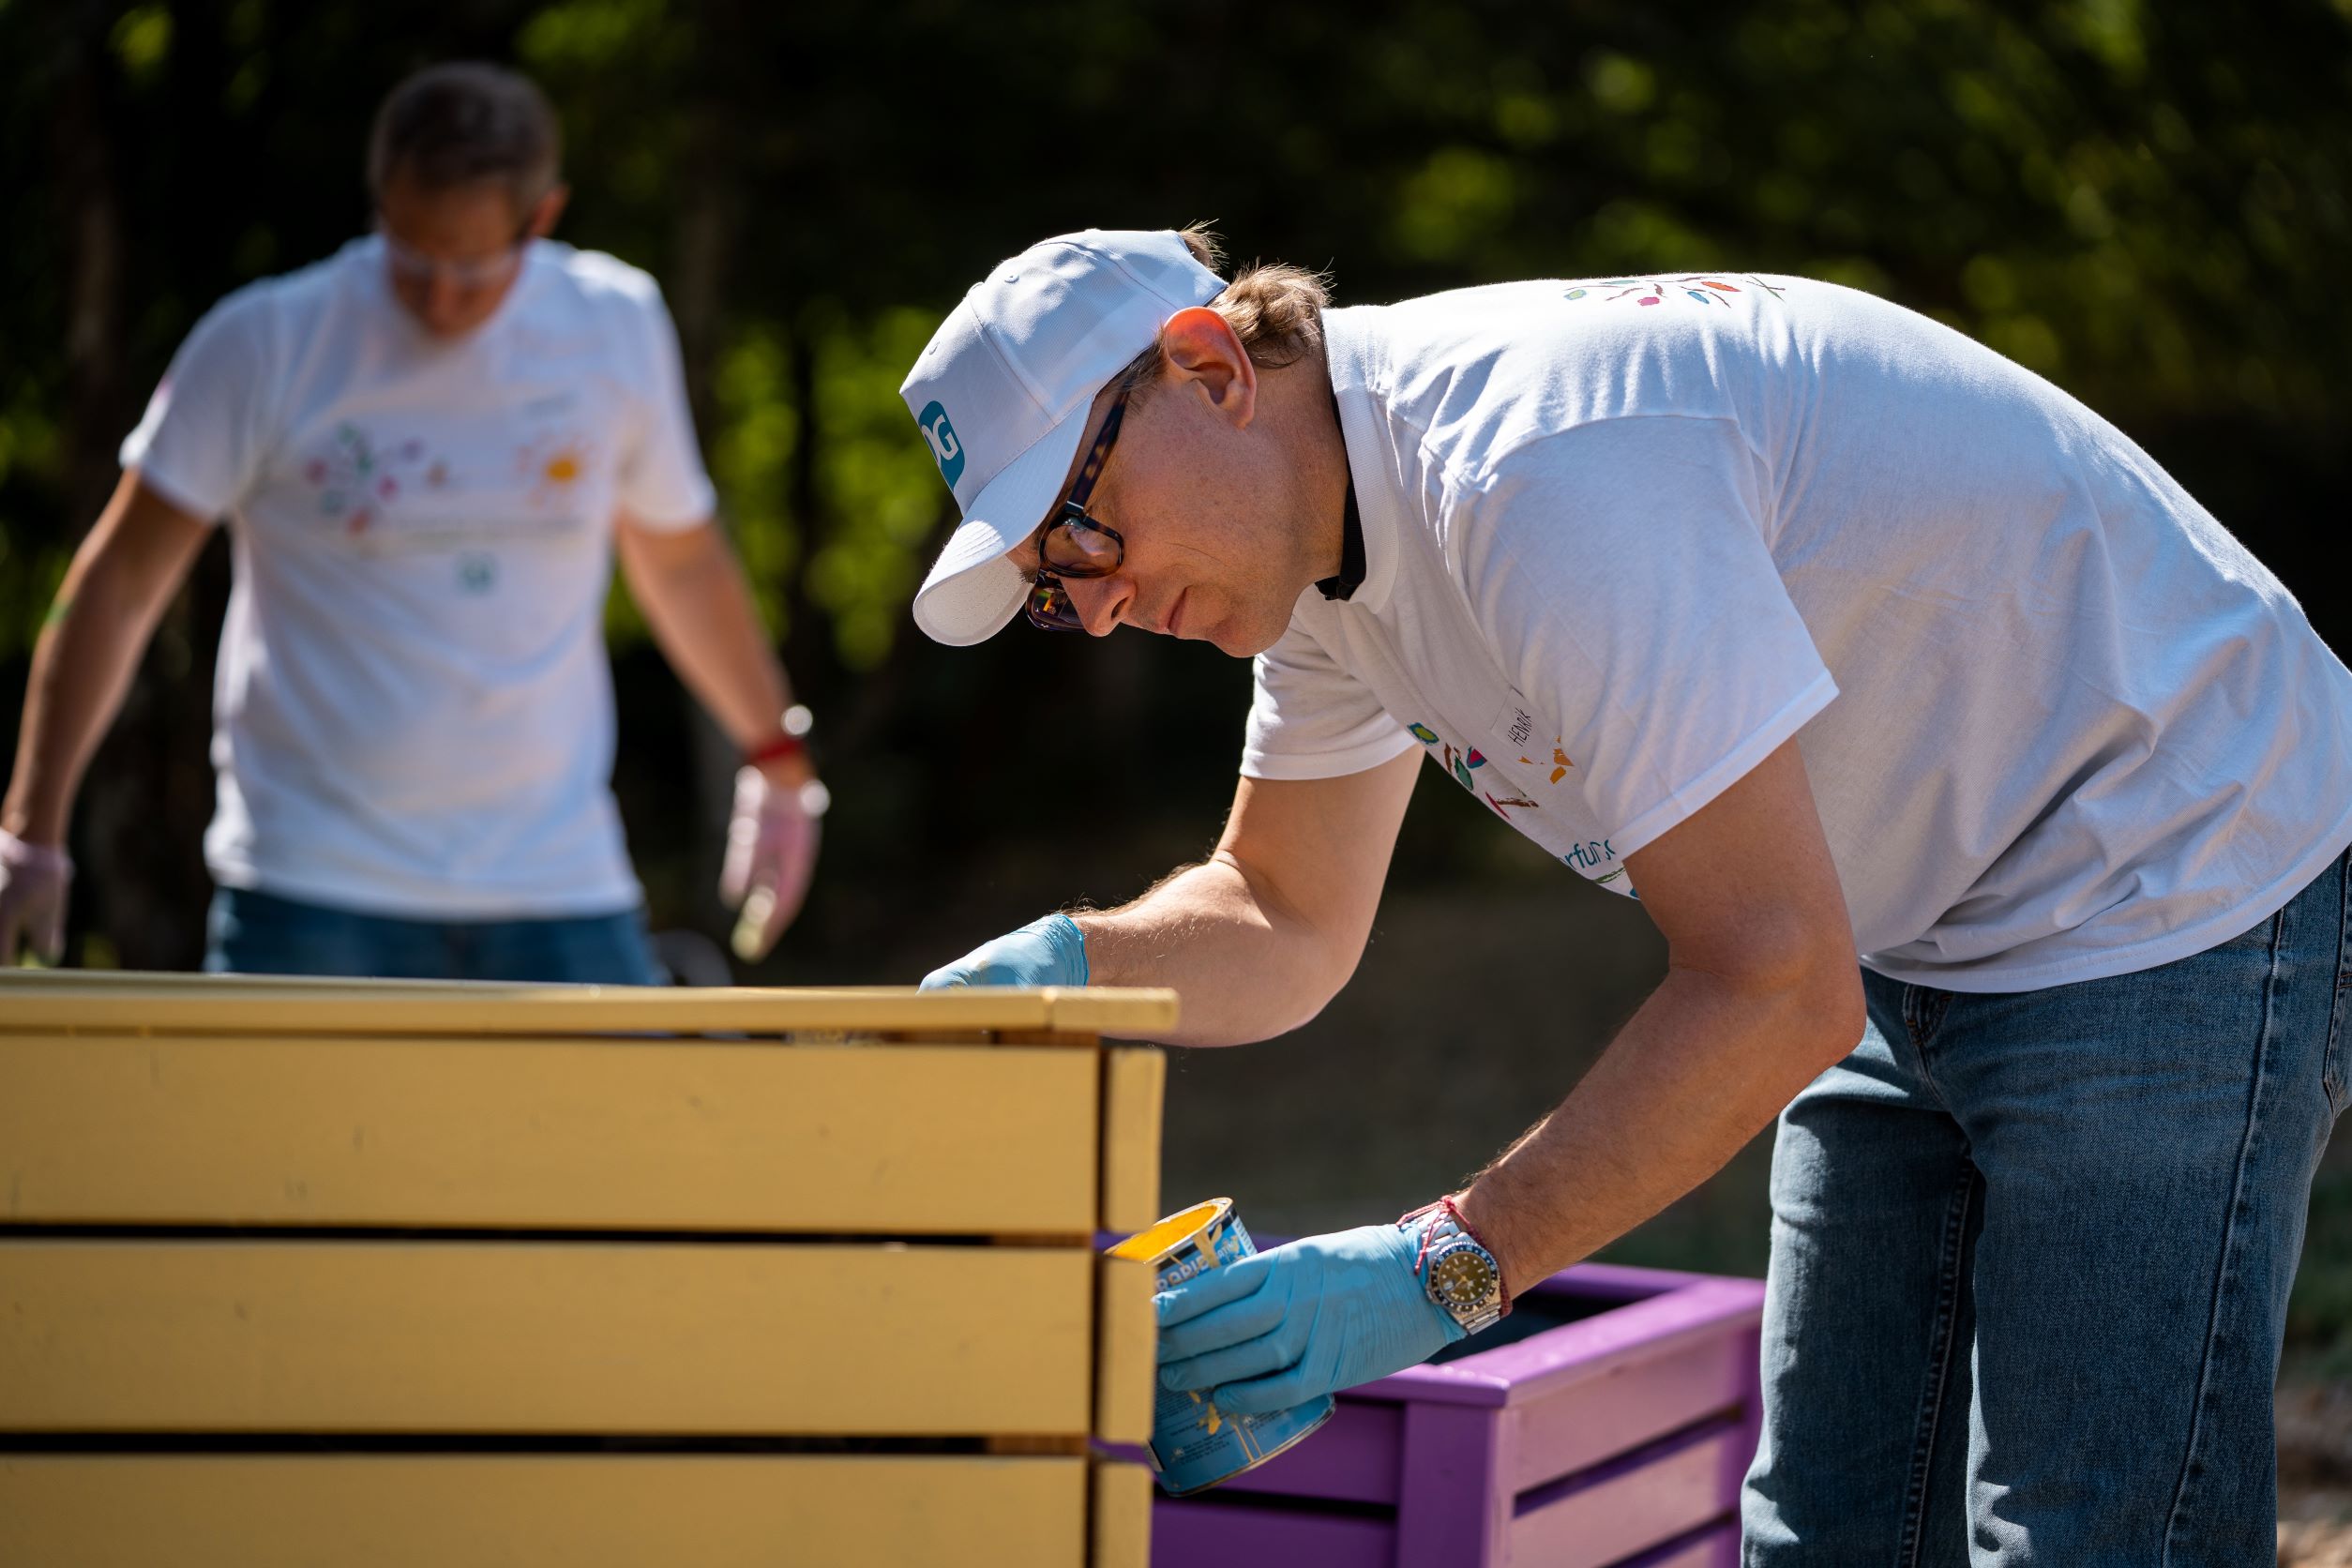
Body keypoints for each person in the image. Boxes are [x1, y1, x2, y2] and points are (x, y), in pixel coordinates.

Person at [901, 227, 2352, 1561]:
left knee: (2090, 1535)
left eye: (1080, 528)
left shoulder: (1533, 466)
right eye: (1046, 584)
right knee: (1824, 1531)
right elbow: (1282, 913)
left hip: (2178, 854)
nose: (1087, 603)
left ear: (1209, 367)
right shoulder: (1316, 570)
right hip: (1925, 920)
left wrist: (1437, 1272)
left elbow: (1772, 983)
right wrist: (1056, 974)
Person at [0, 62, 822, 982]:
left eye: (471, 267)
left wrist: (777, 755)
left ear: (541, 216)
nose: (435, 297)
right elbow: (118, 585)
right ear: (379, 200)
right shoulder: (265, 343)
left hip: (557, 882)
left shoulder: (613, 327)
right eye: (409, 252)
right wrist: (30, 831)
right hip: (313, 889)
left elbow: (679, 562)